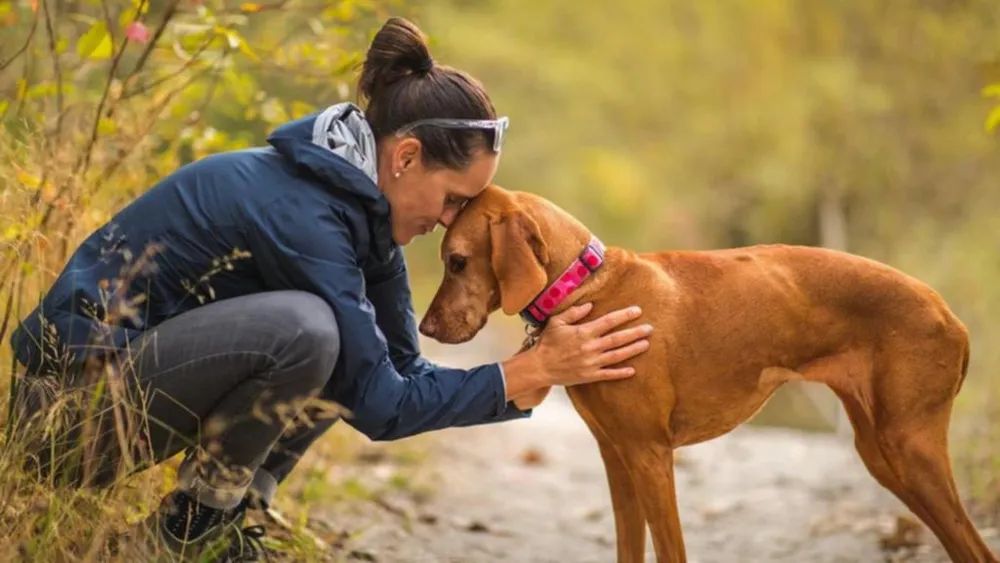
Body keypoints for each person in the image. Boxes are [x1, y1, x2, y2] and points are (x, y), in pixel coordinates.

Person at [7, 16, 651, 561]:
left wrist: (531, 371)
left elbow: (397, 378)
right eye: (454, 200)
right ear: (403, 159)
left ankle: (228, 521)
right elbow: (381, 405)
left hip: (130, 402)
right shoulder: (301, 212)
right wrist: (527, 370)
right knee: (308, 330)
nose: (451, 223)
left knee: (340, 338)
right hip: (62, 424)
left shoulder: (364, 225)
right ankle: (189, 531)